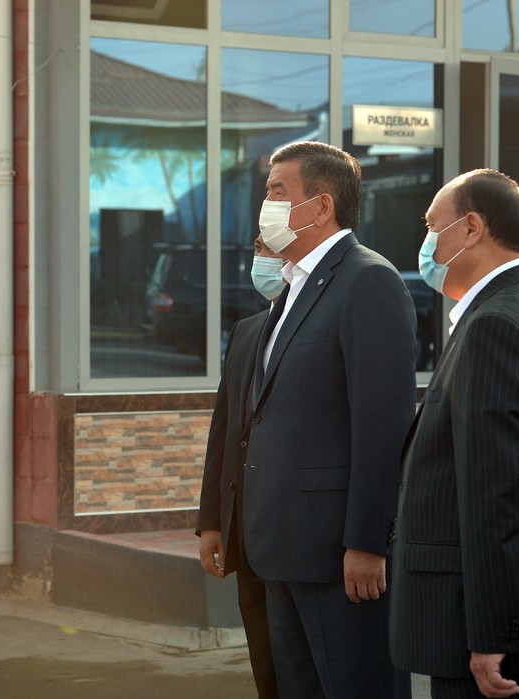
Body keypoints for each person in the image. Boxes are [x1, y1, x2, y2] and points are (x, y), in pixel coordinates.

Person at [390, 169, 519, 698]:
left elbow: (496, 493)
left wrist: (491, 635)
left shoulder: (496, 324)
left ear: (471, 228)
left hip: (500, 642)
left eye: (433, 227)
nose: (426, 242)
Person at [243, 141, 418, 697]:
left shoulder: (368, 280)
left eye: (277, 192)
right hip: (281, 548)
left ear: (320, 207)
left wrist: (368, 542)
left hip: (337, 558)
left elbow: (383, 425)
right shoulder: (292, 287)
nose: (266, 204)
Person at [198, 235, 285, 699]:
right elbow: (225, 431)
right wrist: (212, 522)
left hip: (295, 532)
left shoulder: (324, 324)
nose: (260, 260)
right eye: (257, 249)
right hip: (244, 535)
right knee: (266, 668)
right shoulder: (247, 330)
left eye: (271, 249)